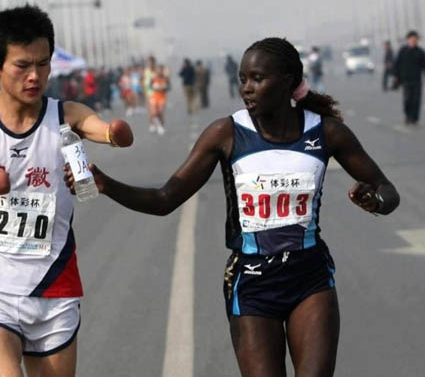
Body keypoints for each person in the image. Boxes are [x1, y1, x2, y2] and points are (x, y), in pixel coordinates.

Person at [64, 37, 400, 377]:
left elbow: (388, 191)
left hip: (310, 278)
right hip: (252, 285)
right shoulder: (226, 133)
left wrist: (376, 200)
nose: (247, 89)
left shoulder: (326, 132)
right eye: (242, 79)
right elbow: (165, 199)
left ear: (286, 80)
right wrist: (106, 184)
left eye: (257, 79)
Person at [0, 5, 134, 377]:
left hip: (53, 283)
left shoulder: (66, 116)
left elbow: (101, 128)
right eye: (22, 65)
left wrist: (115, 133)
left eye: (43, 64)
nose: (35, 76)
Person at [393, 30, 425, 125]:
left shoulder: (420, 52)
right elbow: (397, 64)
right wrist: (396, 76)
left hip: (417, 80)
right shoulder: (403, 51)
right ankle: (407, 115)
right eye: (412, 39)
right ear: (408, 40)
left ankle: (415, 118)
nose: (413, 41)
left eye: (415, 39)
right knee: (407, 100)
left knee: (416, 100)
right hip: (406, 80)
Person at [149, 65, 169, 135]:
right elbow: (150, 86)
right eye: (158, 70)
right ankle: (158, 126)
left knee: (160, 113)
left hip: (162, 97)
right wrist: (155, 87)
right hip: (154, 97)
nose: (159, 71)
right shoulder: (153, 78)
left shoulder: (165, 78)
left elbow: (168, 87)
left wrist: (164, 87)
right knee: (154, 113)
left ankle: (161, 126)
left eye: (161, 70)